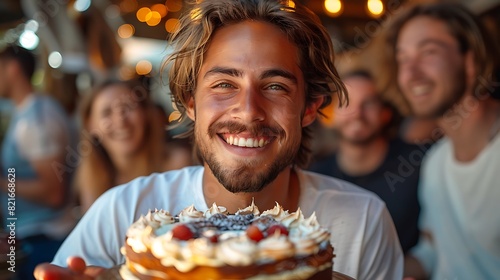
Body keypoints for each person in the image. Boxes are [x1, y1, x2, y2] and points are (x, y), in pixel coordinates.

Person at [34, 1, 403, 279]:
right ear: (191, 102)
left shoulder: (362, 221)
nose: (247, 112)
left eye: (275, 86)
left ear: (309, 108)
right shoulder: (124, 213)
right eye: (225, 85)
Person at [386, 2, 500, 279]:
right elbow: (432, 252)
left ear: (470, 61)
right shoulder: (435, 163)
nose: (411, 74)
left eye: (428, 52)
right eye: (403, 59)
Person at [309, 69, 421, 255]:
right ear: (332, 114)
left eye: (368, 103)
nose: (357, 113)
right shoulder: (318, 177)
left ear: (385, 113)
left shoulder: (417, 163)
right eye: (346, 103)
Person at [0, 44, 77, 279]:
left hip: (45, 242)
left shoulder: (36, 119)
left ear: (12, 69)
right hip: (33, 239)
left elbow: (53, 193)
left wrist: (2, 183)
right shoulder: (28, 113)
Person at [74, 79, 193, 213]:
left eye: (128, 107)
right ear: (91, 126)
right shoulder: (90, 177)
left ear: (145, 114)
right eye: (106, 112)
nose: (120, 121)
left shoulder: (176, 164)